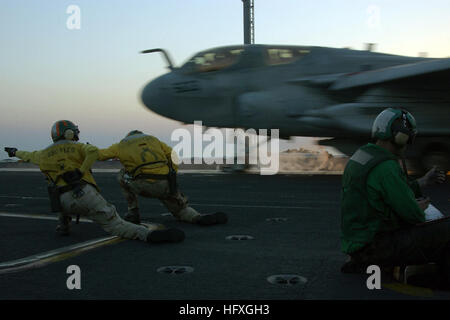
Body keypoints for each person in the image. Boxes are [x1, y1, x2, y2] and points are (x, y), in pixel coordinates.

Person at [4, 120, 184, 244]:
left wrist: (15, 152)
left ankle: (63, 226)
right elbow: (93, 152)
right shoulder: (79, 147)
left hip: (61, 201)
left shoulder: (43, 154)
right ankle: (149, 236)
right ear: (68, 133)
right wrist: (81, 170)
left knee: (55, 187)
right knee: (116, 225)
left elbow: (27, 156)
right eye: (74, 132)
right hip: (84, 194)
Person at [340, 108, 448, 283]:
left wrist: (423, 181)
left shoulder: (362, 156)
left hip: (357, 244)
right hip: (376, 247)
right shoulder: (387, 167)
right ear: (400, 137)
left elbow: (390, 190)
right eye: (408, 138)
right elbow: (413, 215)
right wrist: (419, 206)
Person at [97, 130, 227, 226]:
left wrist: (86, 150)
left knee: (121, 175)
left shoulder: (122, 144)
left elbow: (101, 155)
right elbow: (173, 154)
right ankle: (197, 217)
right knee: (181, 211)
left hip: (143, 185)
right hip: (166, 184)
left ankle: (133, 212)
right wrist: (172, 173)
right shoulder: (154, 140)